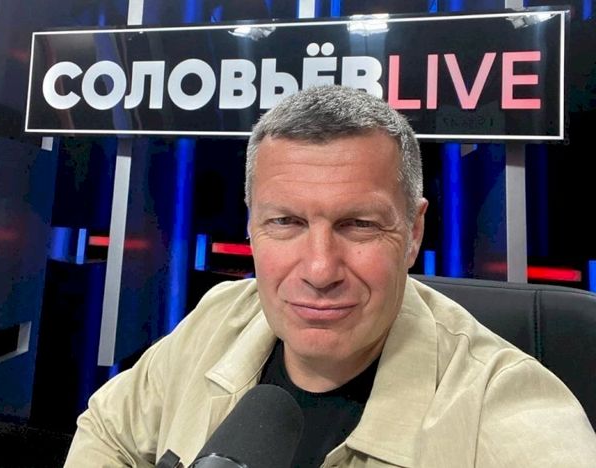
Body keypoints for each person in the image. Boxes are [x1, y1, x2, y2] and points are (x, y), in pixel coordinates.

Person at [65, 85, 596, 467]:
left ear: (413, 232)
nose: (319, 270)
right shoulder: (221, 314)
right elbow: (108, 432)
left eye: (359, 225)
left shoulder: (505, 410)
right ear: (250, 226)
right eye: (285, 222)